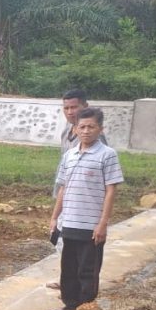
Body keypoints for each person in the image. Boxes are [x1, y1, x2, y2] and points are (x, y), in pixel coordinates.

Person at [47, 107, 123, 310]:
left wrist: (103, 223)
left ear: (100, 129)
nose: (86, 131)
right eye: (82, 127)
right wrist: (55, 218)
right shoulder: (69, 155)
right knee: (69, 269)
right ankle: (69, 306)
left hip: (91, 226)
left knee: (87, 270)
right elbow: (63, 188)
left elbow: (111, 190)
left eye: (91, 127)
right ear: (76, 128)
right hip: (69, 222)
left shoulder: (107, 155)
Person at [47, 89, 106, 290]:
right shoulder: (67, 132)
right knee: (61, 240)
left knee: (84, 248)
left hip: (85, 204)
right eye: (66, 108)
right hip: (65, 196)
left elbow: (104, 180)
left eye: (74, 107)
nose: (70, 111)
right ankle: (67, 281)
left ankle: (81, 289)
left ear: (84, 107)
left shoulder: (95, 140)